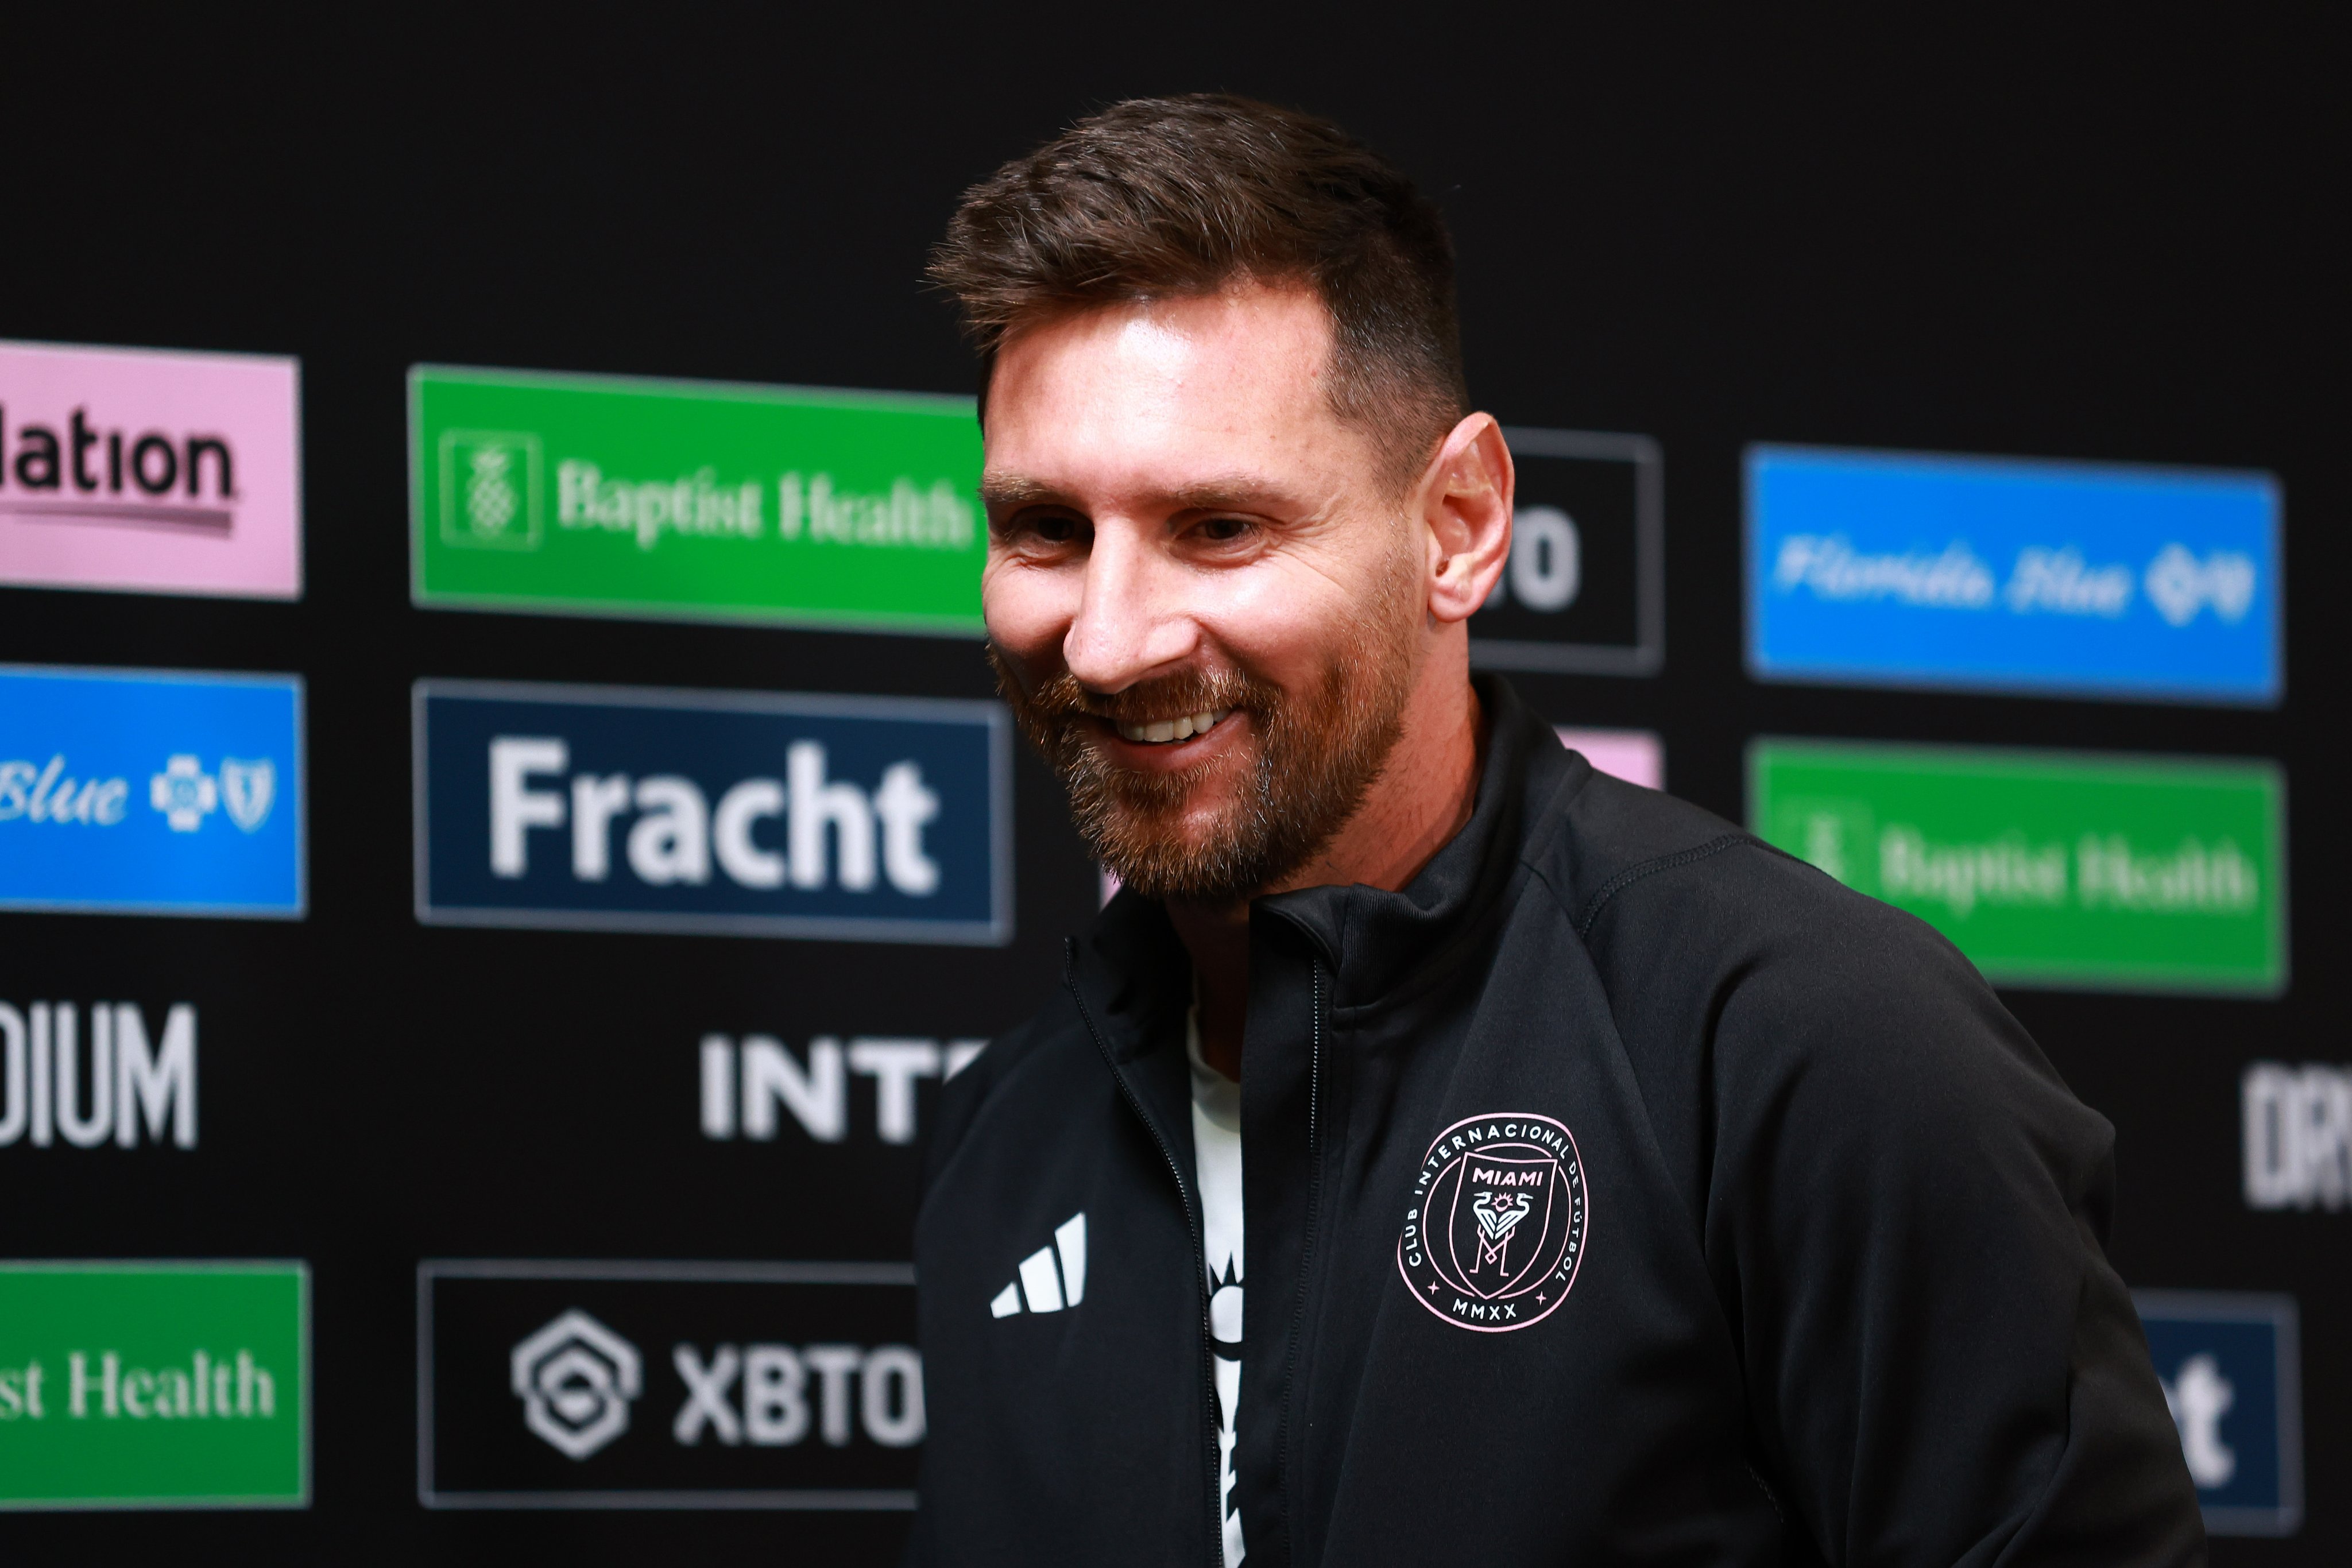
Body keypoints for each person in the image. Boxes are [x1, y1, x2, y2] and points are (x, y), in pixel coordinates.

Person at [906, 94, 2204, 1566]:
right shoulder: (1002, 1136)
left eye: (1219, 529)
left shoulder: (1797, 1043)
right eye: (1046, 532)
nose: (1105, 640)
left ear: (1457, 524)